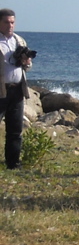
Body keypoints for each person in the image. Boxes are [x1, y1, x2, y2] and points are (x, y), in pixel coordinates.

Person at [0, 9, 33, 170]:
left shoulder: (19, 41)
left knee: (15, 130)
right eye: (6, 22)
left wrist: (26, 62)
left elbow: (27, 66)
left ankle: (13, 163)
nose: (10, 25)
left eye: (12, 22)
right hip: (1, 90)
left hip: (17, 90)